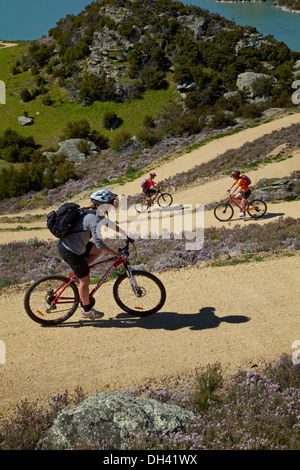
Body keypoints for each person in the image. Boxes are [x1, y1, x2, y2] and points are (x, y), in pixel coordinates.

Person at [58, 189, 130, 320]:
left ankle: (78, 275)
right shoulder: (94, 219)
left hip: (75, 245)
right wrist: (116, 255)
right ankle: (87, 311)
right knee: (85, 280)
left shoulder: (93, 212)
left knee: (95, 251)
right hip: (71, 250)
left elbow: (108, 223)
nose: (113, 204)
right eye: (111, 202)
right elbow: (101, 245)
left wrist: (125, 233)